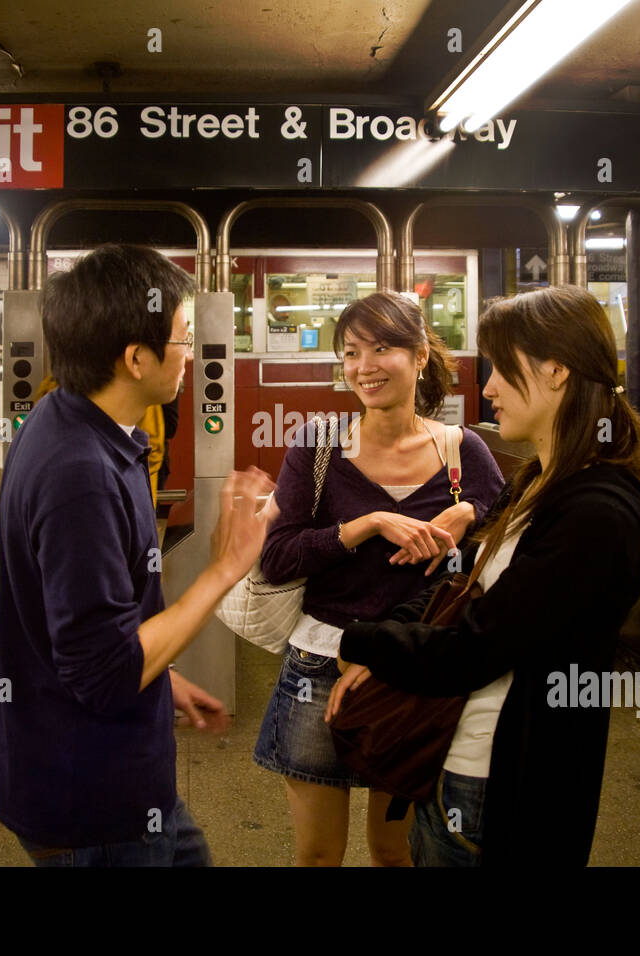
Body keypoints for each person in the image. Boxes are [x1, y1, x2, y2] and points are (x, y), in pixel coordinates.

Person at [325, 284, 640, 867]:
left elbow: (477, 647)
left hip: (500, 783)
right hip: (459, 761)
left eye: (502, 371)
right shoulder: (541, 480)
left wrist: (361, 641)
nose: (485, 388)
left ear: (557, 371)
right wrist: (388, 634)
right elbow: (465, 588)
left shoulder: (593, 517)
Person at [0, 243, 274, 867]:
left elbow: (81, 619)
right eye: (183, 340)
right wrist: (223, 569)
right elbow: (108, 674)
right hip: (94, 803)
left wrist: (160, 677)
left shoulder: (68, 423)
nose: (192, 355)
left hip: (117, 775)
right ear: (136, 358)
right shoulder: (79, 473)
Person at [254, 291, 505, 866]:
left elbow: (508, 537)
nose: (364, 366)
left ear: (420, 356)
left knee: (395, 852)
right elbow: (279, 557)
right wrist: (366, 525)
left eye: (382, 347)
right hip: (320, 665)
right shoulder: (318, 446)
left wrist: (469, 513)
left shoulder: (464, 452)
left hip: (412, 667)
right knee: (318, 855)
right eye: (350, 352)